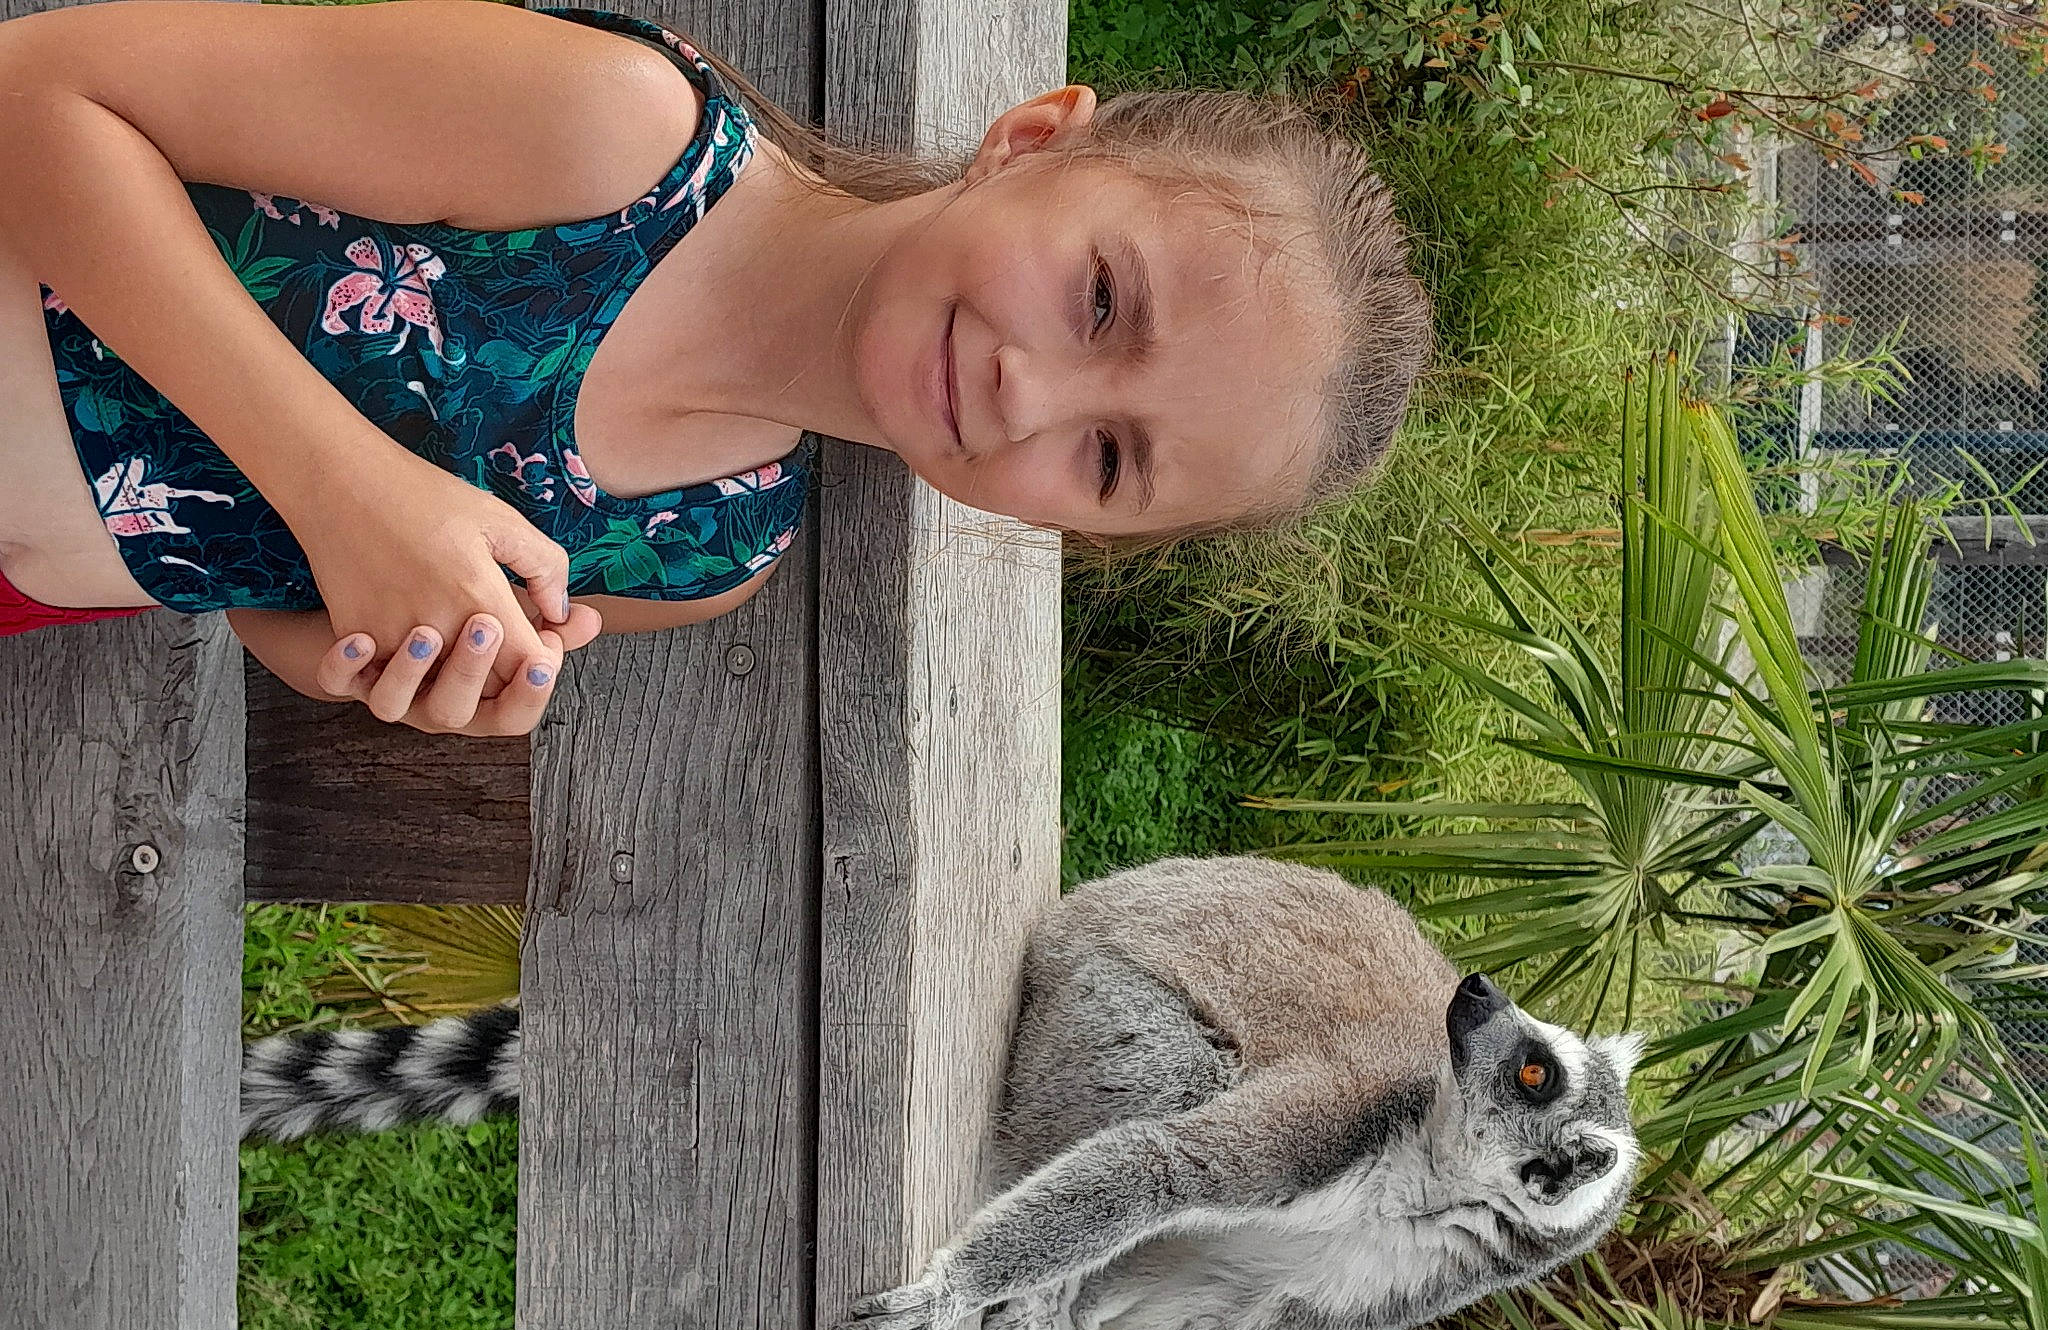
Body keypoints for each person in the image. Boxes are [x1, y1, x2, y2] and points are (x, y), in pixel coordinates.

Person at [0, 0, 1430, 736]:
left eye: (1110, 460)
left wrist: (391, 655)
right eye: (1102, 299)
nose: (1032, 394)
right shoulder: (608, 139)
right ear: (1040, 138)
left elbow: (265, 593)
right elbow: (37, 94)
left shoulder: (711, 548)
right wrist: (351, 491)